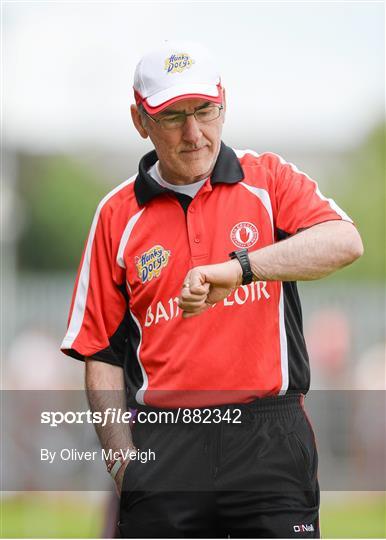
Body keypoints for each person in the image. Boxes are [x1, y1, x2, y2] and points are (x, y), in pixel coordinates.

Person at [61, 41, 363, 538]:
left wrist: (241, 268)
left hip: (269, 432)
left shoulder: (269, 179)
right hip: (165, 438)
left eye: (205, 110)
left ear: (224, 102)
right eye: (174, 116)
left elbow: (344, 241)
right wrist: (122, 465)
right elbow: (100, 351)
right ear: (140, 121)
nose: (194, 132)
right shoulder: (116, 216)